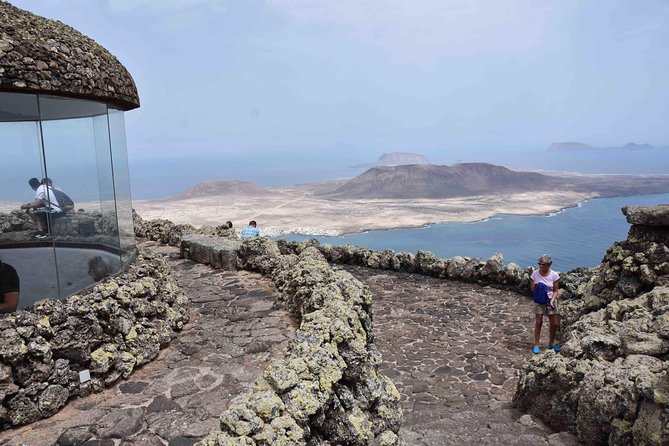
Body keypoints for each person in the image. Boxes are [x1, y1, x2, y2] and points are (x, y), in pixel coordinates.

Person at [530, 254, 560, 354]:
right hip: (539, 300)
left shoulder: (554, 275)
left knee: (554, 323)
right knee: (538, 322)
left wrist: (552, 301)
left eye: (543, 264)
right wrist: (533, 285)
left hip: (550, 300)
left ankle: (551, 343)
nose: (541, 266)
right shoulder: (535, 274)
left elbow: (556, 291)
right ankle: (536, 344)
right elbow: (531, 289)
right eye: (540, 264)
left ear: (549, 265)